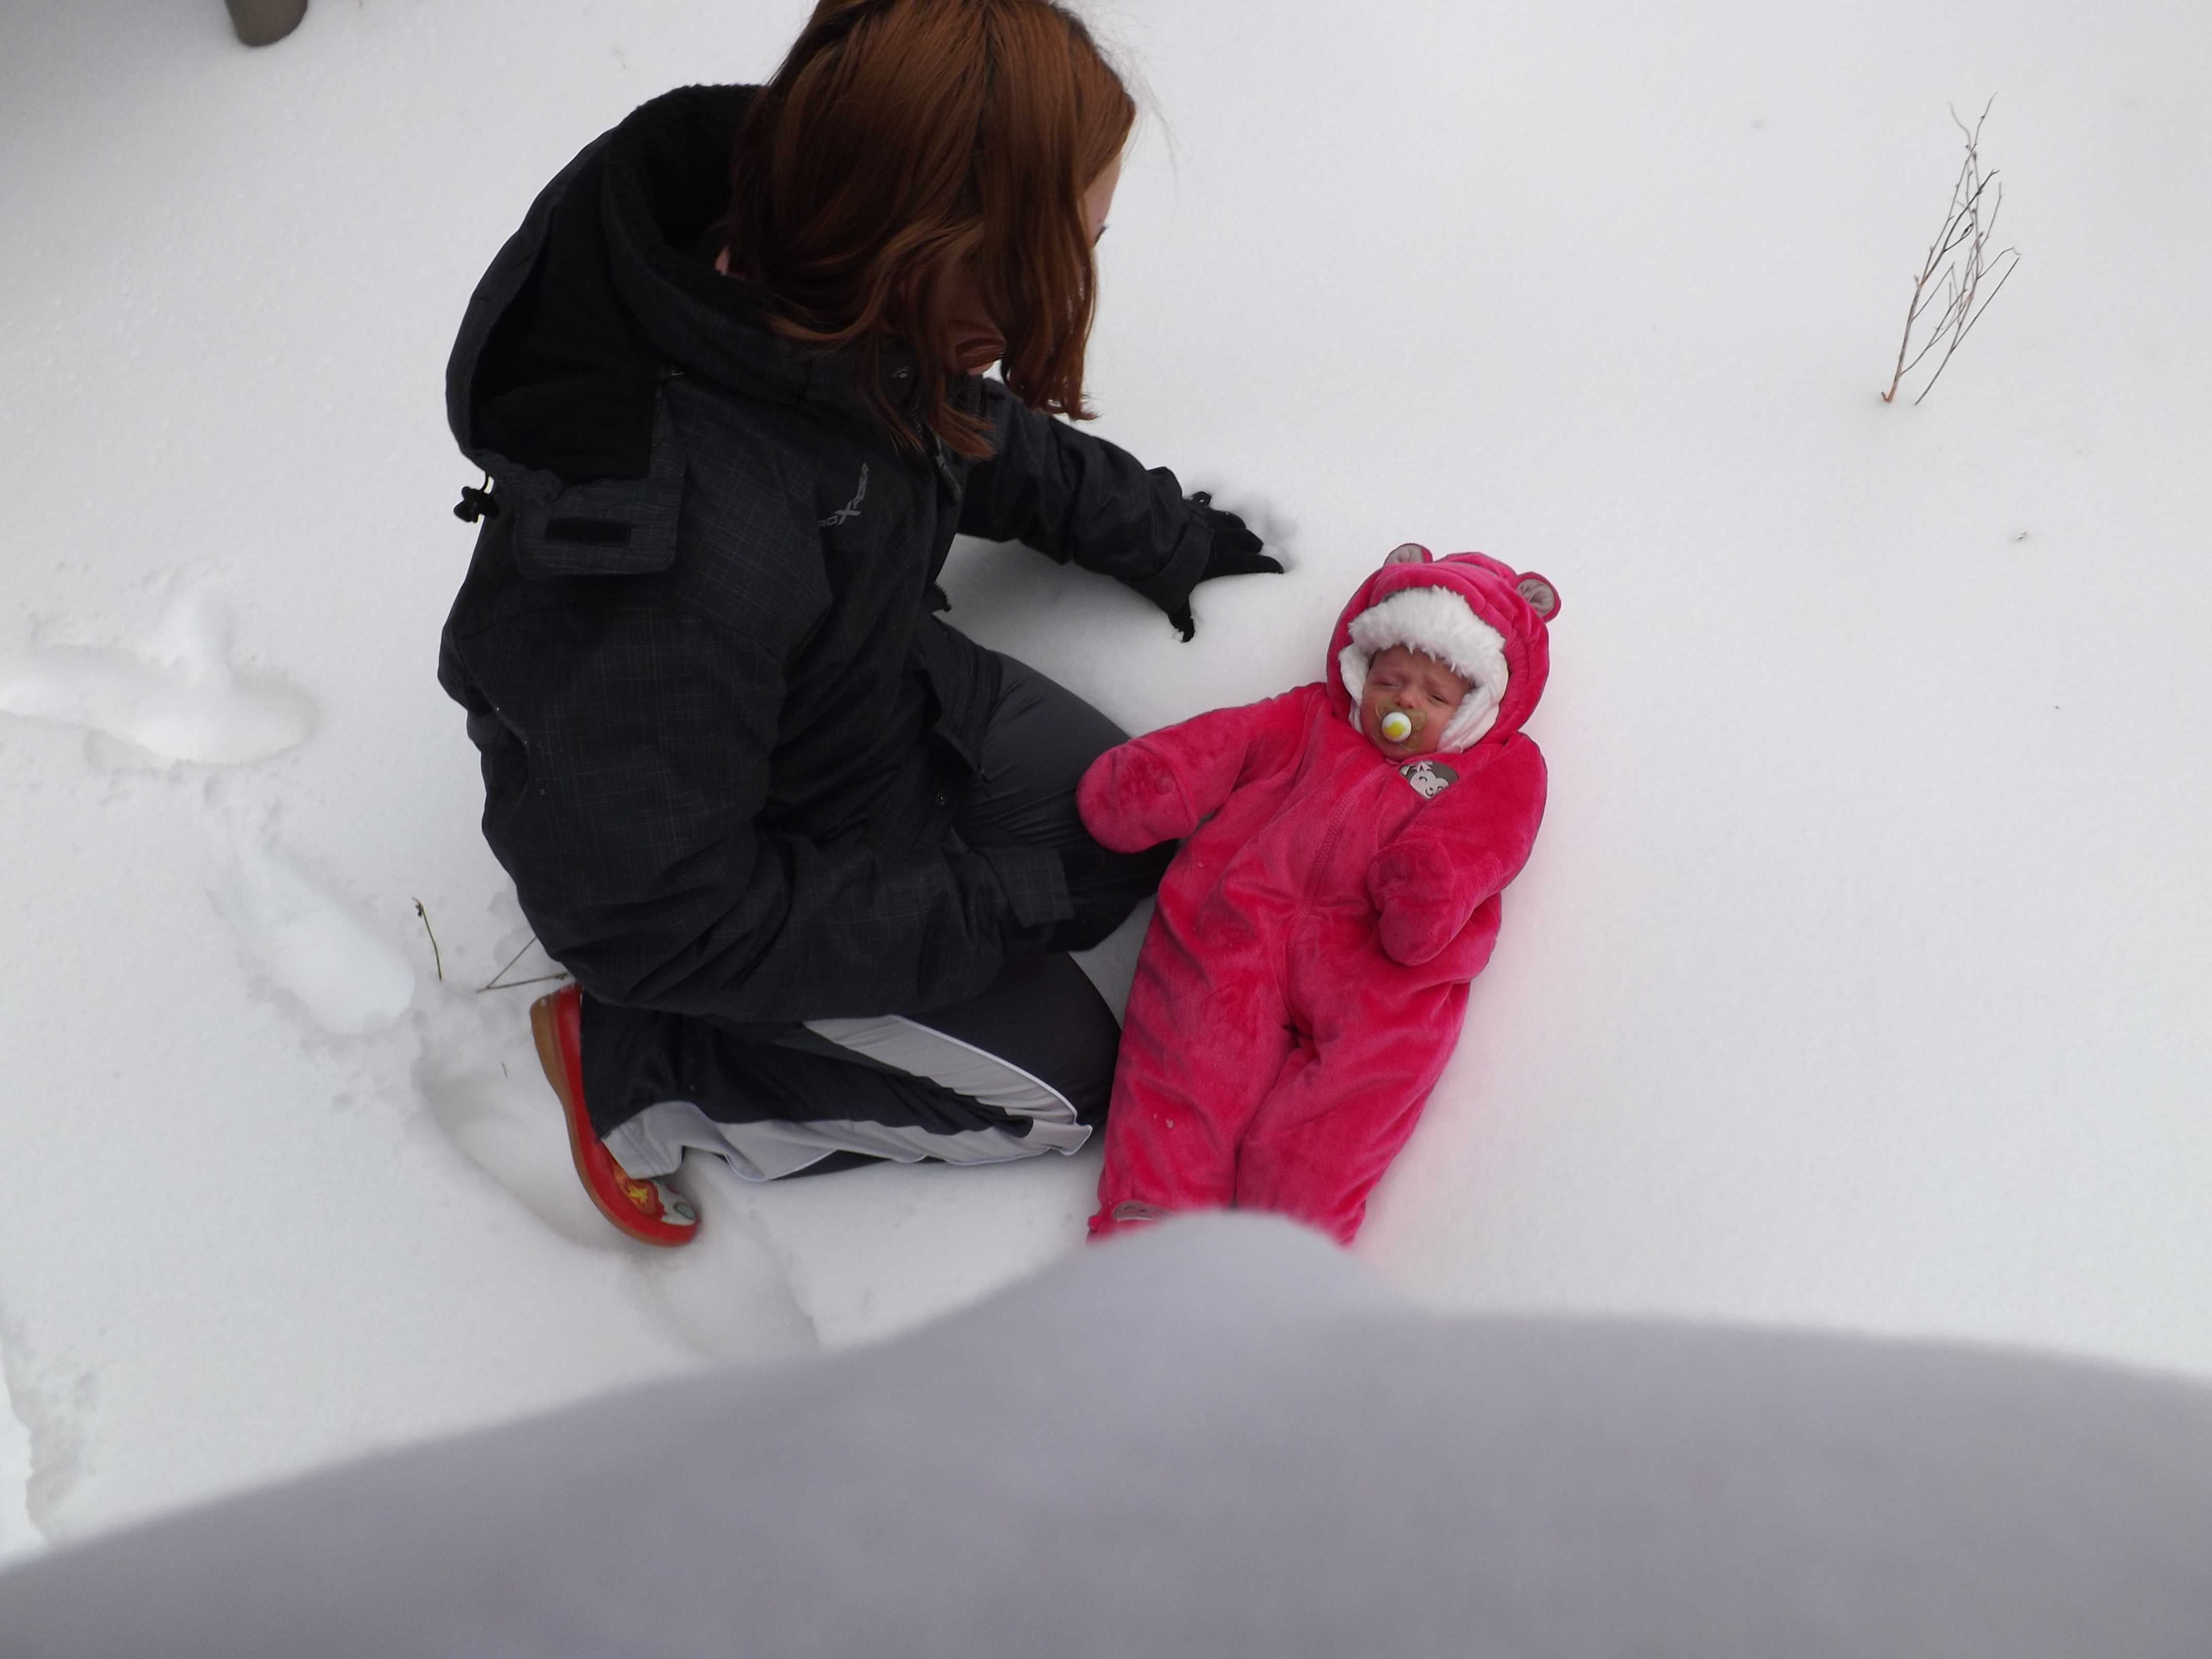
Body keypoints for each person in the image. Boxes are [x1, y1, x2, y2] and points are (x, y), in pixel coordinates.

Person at [436, 0, 1280, 1246]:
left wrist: (1153, 532)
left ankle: (942, 880)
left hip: (865, 697)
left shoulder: (821, 277)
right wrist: (992, 909)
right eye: (1074, 243)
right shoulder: (669, 559)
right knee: (1059, 1093)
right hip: (724, 870)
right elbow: (656, 918)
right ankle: (641, 1069)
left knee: (1130, 812)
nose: (1086, 272)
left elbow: (945, 421)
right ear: (945, 250)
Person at [1076, 544, 1559, 1244]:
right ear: (1361, 669)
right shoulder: (1308, 720)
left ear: (1475, 708)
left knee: (1347, 1105)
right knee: (1189, 1061)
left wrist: (1429, 882)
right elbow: (1224, 745)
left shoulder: (1499, 766)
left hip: (1378, 963)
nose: (1405, 703)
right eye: (1392, 680)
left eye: (1434, 697)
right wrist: (1157, 777)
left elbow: (1488, 838)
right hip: (1237, 922)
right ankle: (1151, 1232)